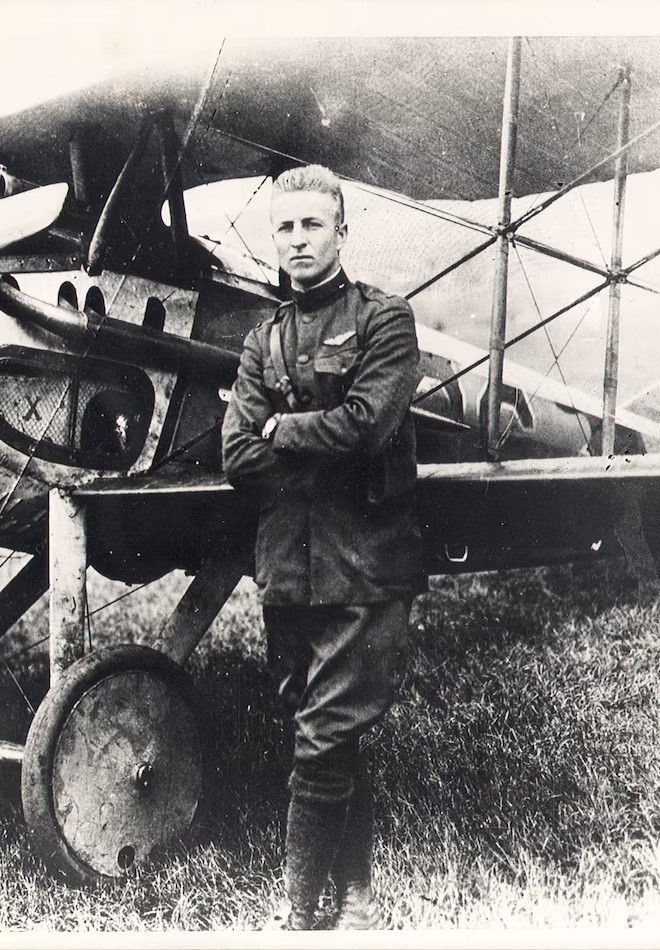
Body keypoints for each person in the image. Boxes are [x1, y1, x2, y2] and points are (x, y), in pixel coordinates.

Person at [220, 164, 426, 930]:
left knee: (321, 739)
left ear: (342, 229)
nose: (298, 239)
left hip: (365, 564)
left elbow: (370, 424)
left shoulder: (385, 321)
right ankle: (361, 900)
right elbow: (235, 455)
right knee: (328, 733)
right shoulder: (261, 338)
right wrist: (302, 436)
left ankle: (296, 916)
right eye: (285, 227)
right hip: (289, 572)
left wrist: (282, 427)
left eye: (312, 224)